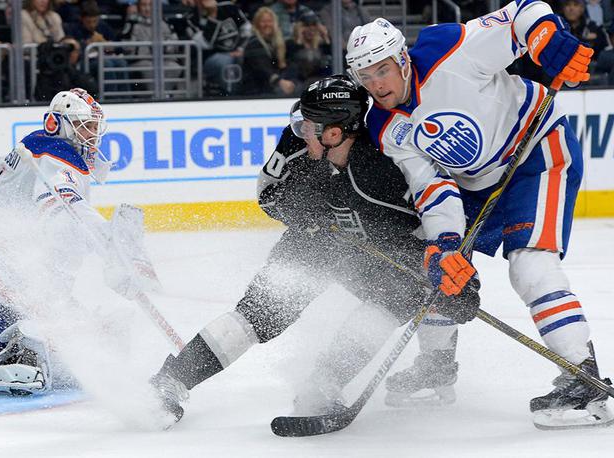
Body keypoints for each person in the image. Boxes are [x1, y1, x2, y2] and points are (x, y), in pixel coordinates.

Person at [148, 75, 479, 425]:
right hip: (318, 239)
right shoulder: (298, 142)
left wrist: (459, 285)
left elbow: (442, 220)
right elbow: (269, 194)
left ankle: (325, 385)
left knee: (393, 300)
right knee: (262, 310)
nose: (300, 129)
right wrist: (309, 214)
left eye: (309, 124)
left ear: (335, 132)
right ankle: (172, 379)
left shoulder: (387, 166)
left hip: (389, 252)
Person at [345, 4, 613, 429]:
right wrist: (444, 245)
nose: (376, 84)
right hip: (476, 182)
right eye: (366, 76)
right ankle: (436, 369)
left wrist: (544, 37)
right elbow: (431, 186)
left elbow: (521, 15)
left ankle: (585, 380)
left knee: (530, 265)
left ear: (401, 59)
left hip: (537, 150)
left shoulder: (446, 50)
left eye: (382, 70)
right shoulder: (383, 125)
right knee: (436, 267)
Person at [0, 88, 157, 393]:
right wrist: (112, 248)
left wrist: (4, 206)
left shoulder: (29, 148)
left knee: (68, 329)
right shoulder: (60, 157)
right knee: (55, 346)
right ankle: (16, 352)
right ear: (58, 124)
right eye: (84, 125)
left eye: (93, 126)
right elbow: (66, 204)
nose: (92, 134)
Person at [184, 0, 251, 96]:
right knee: (226, 62)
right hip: (210, 58)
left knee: (252, 57)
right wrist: (213, 15)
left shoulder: (230, 8)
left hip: (238, 51)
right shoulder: (191, 19)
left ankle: (253, 94)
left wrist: (241, 48)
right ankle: (232, 96)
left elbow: (247, 29)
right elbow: (205, 44)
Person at [241, 6, 296, 96]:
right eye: (263, 21)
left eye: (269, 21)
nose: (267, 24)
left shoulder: (277, 43)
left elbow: (285, 65)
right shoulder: (253, 42)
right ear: (257, 24)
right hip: (256, 90)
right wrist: (280, 82)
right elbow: (262, 69)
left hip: (270, 86)